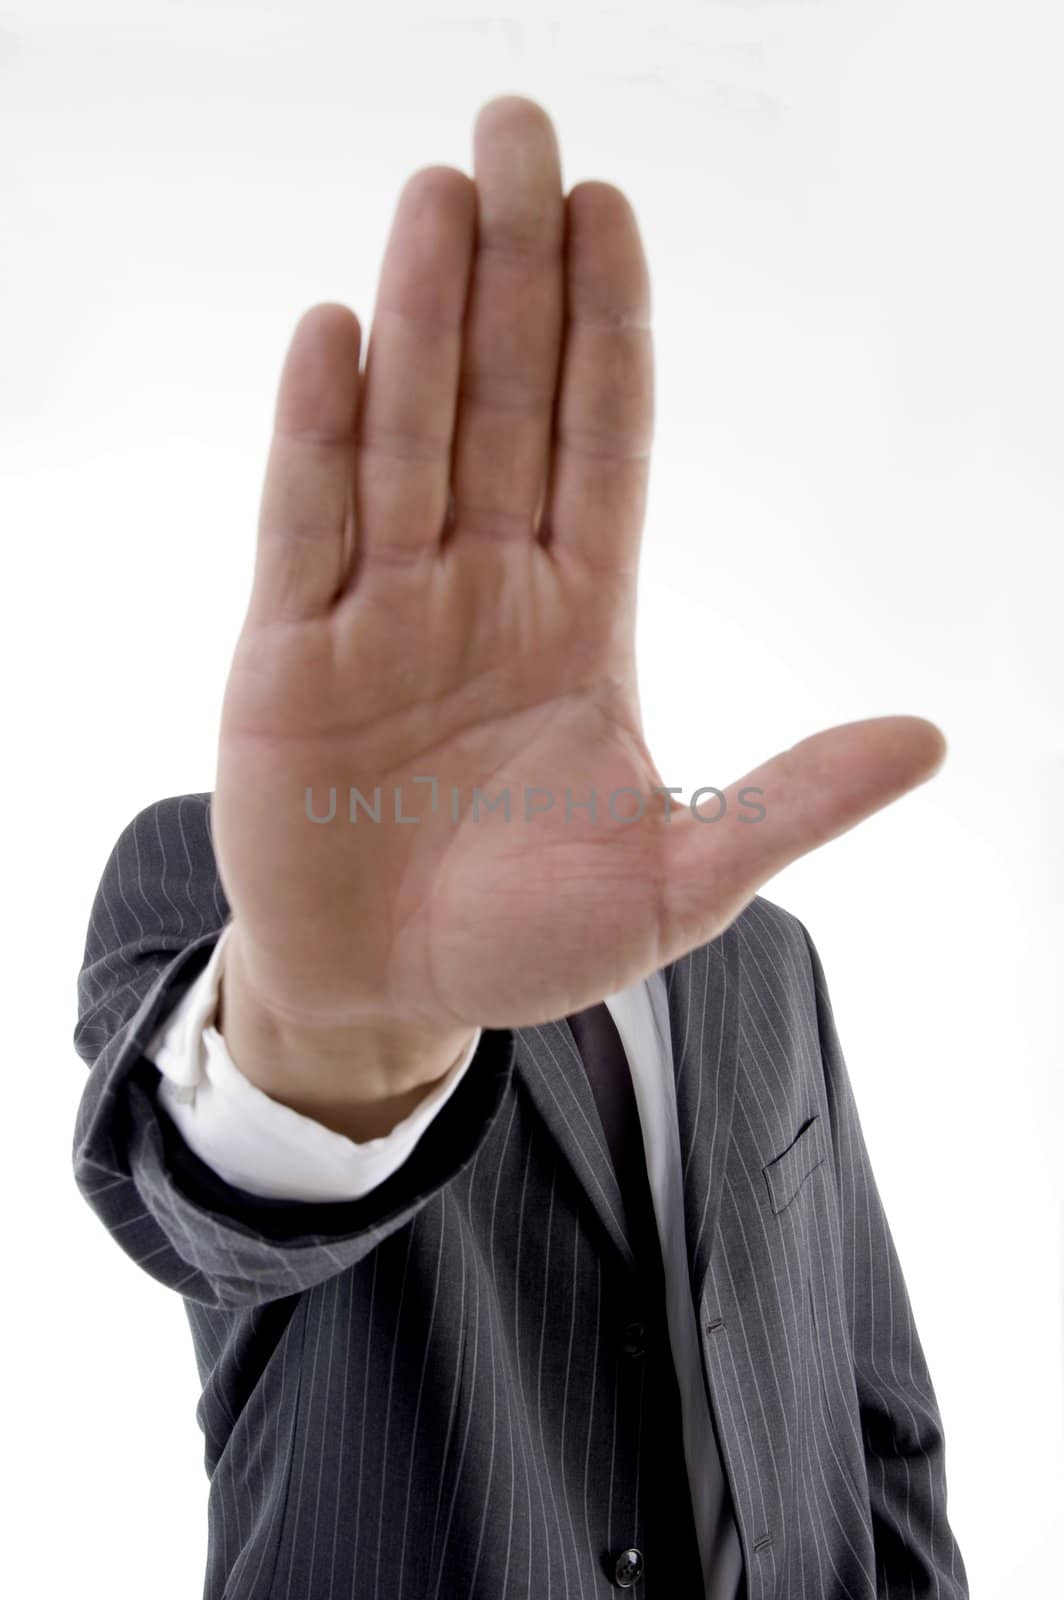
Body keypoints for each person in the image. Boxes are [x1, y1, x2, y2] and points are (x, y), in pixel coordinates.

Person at [72, 94, 969, 1599]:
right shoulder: (226, 888)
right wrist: (344, 1031)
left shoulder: (770, 960)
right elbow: (205, 1222)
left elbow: (875, 1410)